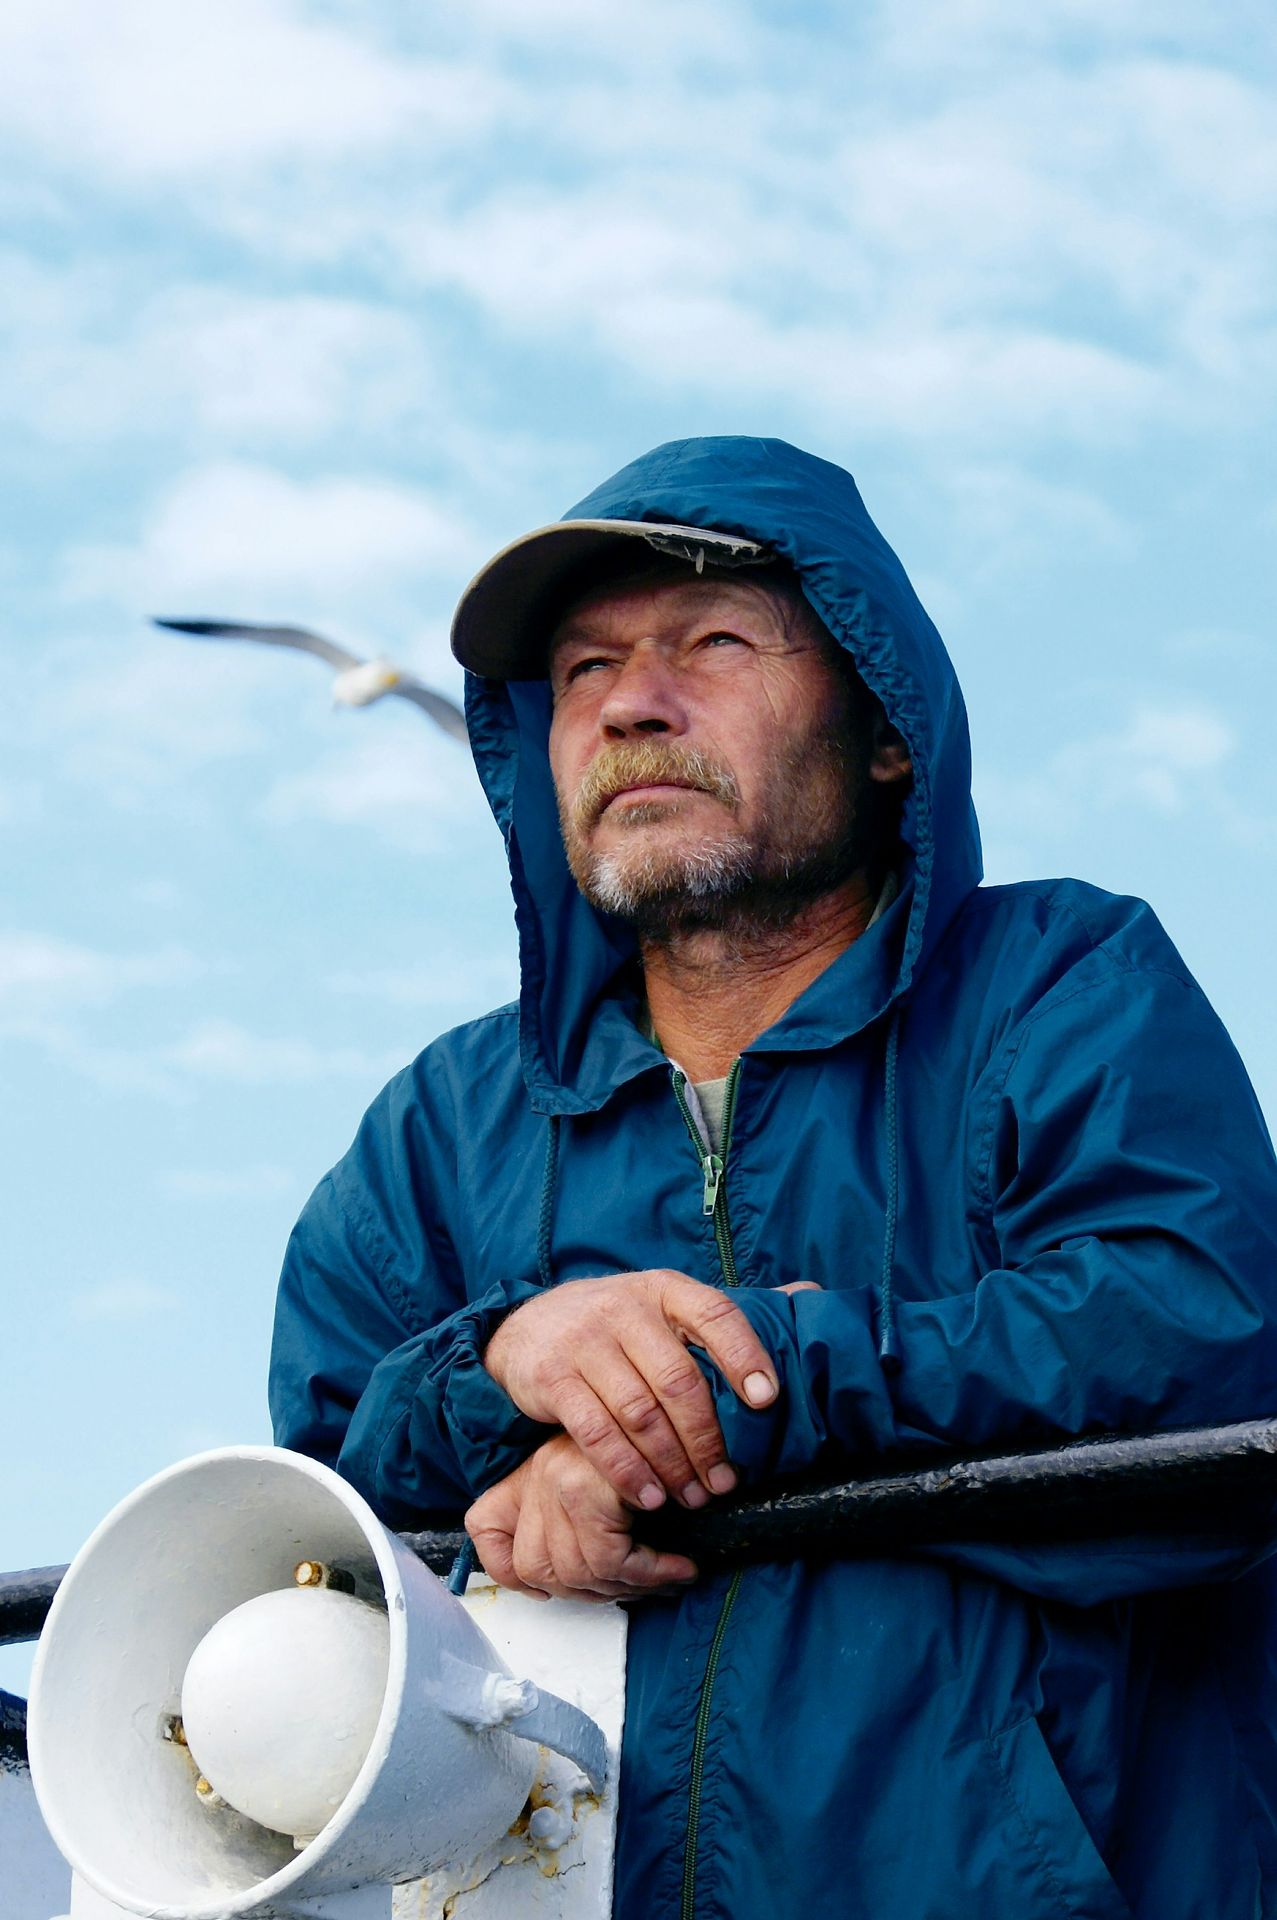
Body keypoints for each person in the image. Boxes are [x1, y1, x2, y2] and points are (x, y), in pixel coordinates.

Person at [271, 436, 1277, 1919]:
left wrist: (722, 1397)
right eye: (584, 667)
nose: (628, 703)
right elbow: (302, 1547)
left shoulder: (1064, 984)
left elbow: (1198, 1357)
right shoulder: (437, 1125)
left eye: (712, 643)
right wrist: (503, 1374)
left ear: (882, 727)